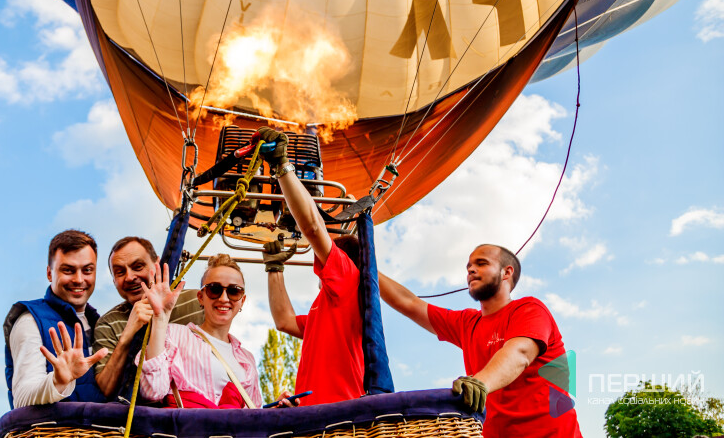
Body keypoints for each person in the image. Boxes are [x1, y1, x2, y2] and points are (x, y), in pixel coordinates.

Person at [379, 244, 582, 438]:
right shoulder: (466, 323)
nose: (471, 270)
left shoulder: (529, 309)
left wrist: (480, 383)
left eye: (481, 263)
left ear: (506, 272)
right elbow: (409, 303)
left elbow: (519, 353)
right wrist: (366, 264)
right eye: (468, 267)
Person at [258, 126, 365, 406]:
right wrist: (274, 271)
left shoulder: (348, 280)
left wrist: (283, 167)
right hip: (311, 414)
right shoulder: (328, 306)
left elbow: (315, 228)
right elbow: (285, 322)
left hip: (338, 414)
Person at [139, 255, 295, 409]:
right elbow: (153, 391)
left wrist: (274, 411)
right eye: (214, 289)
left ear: (242, 300)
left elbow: (253, 418)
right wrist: (160, 318)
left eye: (234, 291)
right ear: (200, 297)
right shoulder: (174, 335)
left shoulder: (248, 359)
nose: (224, 298)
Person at [3, 230, 109, 408]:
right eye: (68, 270)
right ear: (49, 273)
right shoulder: (30, 321)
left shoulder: (101, 324)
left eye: (87, 270)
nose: (79, 279)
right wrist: (58, 381)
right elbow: (21, 399)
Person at [92, 236, 204, 398]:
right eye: (120, 272)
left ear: (157, 264)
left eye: (138, 266)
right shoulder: (108, 323)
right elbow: (106, 390)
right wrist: (127, 337)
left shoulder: (196, 301)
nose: (130, 277)